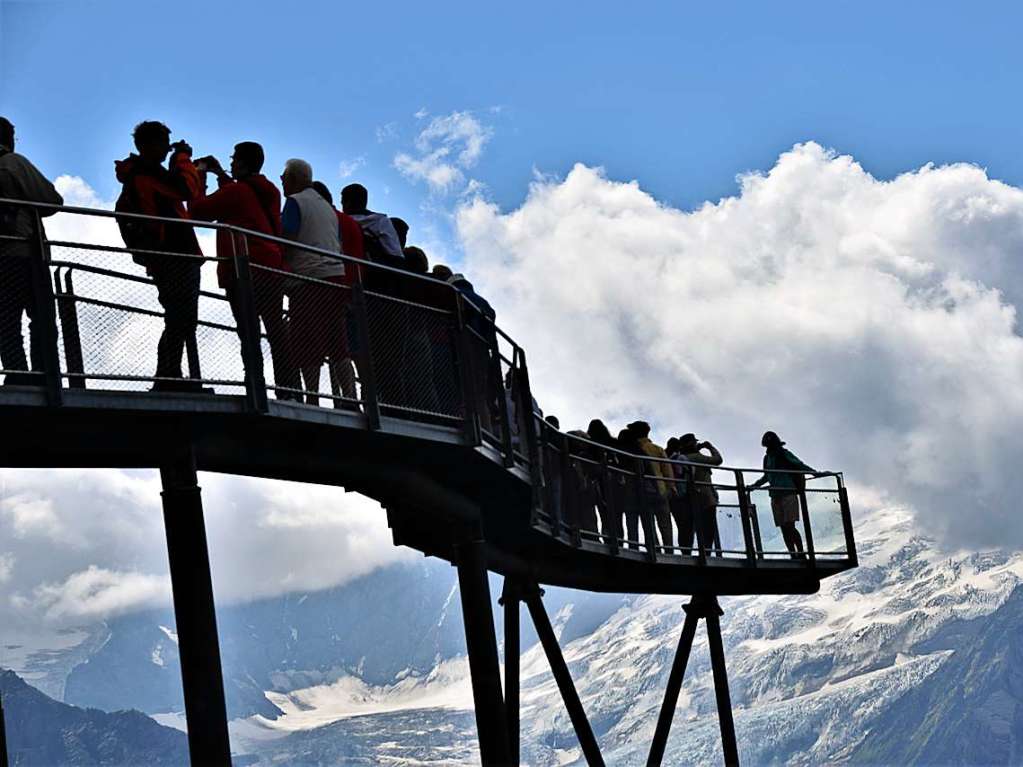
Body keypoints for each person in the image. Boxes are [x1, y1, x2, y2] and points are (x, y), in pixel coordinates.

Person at [188, 142, 299, 400]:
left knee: (248, 332)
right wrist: (221, 175)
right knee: (276, 332)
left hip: (242, 269)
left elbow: (197, 212)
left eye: (235, 159)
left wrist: (200, 174)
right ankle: (289, 390)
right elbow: (240, 196)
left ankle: (256, 386)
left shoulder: (238, 193)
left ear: (244, 163)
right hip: (271, 266)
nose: (231, 163)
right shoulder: (269, 190)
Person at [114, 121, 204, 391]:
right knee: (181, 317)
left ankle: (169, 375)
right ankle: (168, 377)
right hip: (175, 256)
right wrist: (183, 159)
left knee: (179, 317)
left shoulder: (140, 175)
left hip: (166, 257)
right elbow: (186, 189)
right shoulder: (146, 174)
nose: (167, 148)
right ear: (149, 145)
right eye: (164, 143)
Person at [0, 116, 64, 386]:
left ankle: (17, 374)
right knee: (42, 320)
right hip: (25, 252)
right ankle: (44, 375)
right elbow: (51, 201)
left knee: (6, 321)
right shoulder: (12, 163)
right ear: (9, 138)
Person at [279, 159, 345, 405]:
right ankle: (349, 397)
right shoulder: (328, 208)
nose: (281, 179)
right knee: (337, 340)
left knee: (306, 341)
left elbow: (288, 237)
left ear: (295, 178)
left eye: (284, 176)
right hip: (335, 277)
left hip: (308, 278)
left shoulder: (295, 202)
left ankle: (312, 397)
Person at [749, 431, 818, 558]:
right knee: (784, 528)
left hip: (788, 493)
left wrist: (814, 472)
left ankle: (801, 554)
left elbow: (799, 465)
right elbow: (767, 476)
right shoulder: (767, 458)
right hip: (775, 496)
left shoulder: (783, 454)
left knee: (789, 526)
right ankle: (793, 554)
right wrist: (755, 485)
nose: (768, 448)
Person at [628, 421, 674, 552]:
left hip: (642, 491)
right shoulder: (657, 449)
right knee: (665, 524)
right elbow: (667, 471)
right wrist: (671, 488)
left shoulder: (633, 449)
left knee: (649, 524)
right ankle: (669, 551)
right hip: (660, 489)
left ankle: (655, 550)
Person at [677, 432, 723, 556]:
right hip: (705, 497)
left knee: (690, 528)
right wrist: (710, 447)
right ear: (692, 444)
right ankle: (706, 553)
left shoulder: (681, 458)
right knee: (708, 528)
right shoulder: (696, 457)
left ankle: (687, 553)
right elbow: (718, 460)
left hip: (690, 498)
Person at [666, 437, 695, 554]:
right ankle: (687, 550)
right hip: (684, 495)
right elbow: (692, 472)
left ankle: (683, 549)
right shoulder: (681, 458)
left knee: (680, 525)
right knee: (688, 525)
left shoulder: (666, 459)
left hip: (672, 496)